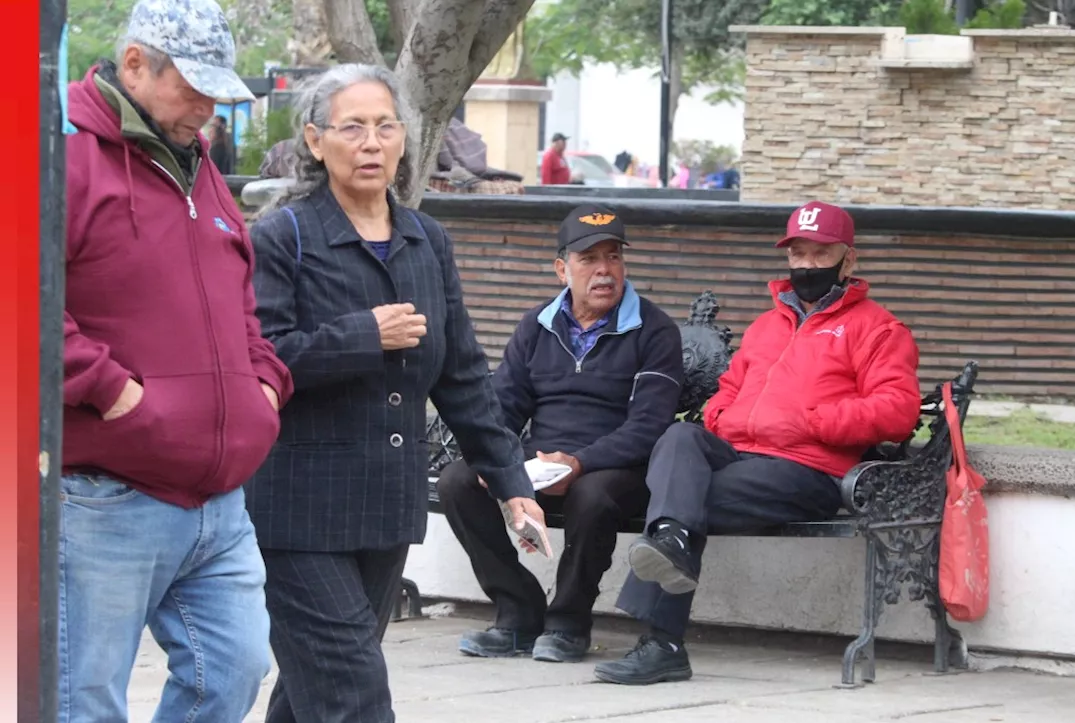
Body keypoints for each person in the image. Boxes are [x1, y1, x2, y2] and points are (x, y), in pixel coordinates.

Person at [245, 63, 545, 723]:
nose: (371, 142)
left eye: (385, 126)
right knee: (353, 692)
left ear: (405, 140)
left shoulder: (426, 239)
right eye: (352, 127)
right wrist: (360, 335)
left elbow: (463, 372)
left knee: (314, 689)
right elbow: (256, 359)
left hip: (385, 505)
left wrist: (511, 481)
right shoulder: (282, 237)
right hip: (298, 513)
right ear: (316, 141)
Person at [59, 0, 292, 720]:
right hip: (104, 496)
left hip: (219, 501)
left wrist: (264, 385)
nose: (208, 106)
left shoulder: (202, 169)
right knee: (83, 697)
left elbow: (239, 301)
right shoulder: (60, 156)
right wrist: (116, 394)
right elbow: (21, 305)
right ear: (134, 64)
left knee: (234, 669)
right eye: (193, 86)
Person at [593, 201, 923, 686]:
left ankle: (662, 639)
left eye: (820, 253)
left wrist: (814, 420)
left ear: (848, 260)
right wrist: (721, 415)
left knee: (681, 507)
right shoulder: (767, 326)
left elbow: (898, 409)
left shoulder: (878, 328)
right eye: (799, 254)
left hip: (808, 467)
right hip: (741, 454)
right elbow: (728, 390)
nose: (807, 264)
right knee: (680, 435)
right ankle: (672, 551)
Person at [437, 205, 685, 663]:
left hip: (618, 469)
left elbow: (649, 427)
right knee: (457, 481)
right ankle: (517, 612)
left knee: (593, 495)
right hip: (542, 463)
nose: (604, 270)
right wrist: (500, 461)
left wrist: (579, 462)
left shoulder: (655, 330)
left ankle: (569, 623)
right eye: (589, 259)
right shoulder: (537, 325)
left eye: (613, 257)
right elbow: (502, 407)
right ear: (561, 269)